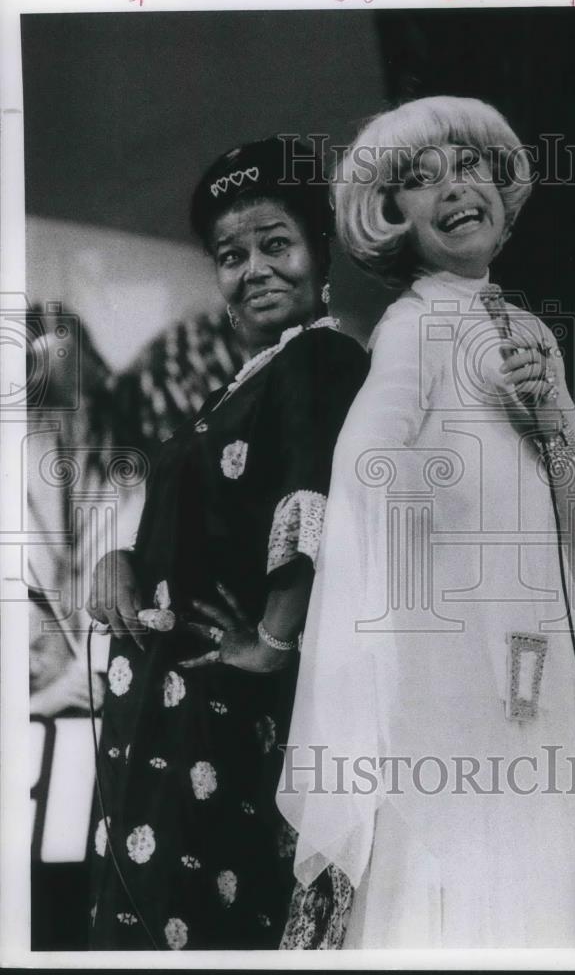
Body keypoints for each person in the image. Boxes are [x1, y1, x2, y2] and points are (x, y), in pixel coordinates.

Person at [277, 97, 575, 948]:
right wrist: (444, 607)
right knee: (456, 877)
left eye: (467, 165)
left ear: (499, 184)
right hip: (445, 679)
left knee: (524, 867)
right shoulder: (413, 329)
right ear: (392, 219)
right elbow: (365, 473)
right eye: (418, 180)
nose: (453, 188)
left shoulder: (528, 334)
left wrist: (554, 430)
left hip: (525, 662)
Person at [86, 137, 369, 950]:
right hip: (164, 709)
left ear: (320, 255)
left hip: (221, 709)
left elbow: (311, 497)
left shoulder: (322, 356)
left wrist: (274, 641)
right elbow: (192, 523)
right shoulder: (239, 385)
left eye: (275, 244)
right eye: (231, 255)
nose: (254, 271)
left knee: (201, 920)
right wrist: (120, 561)